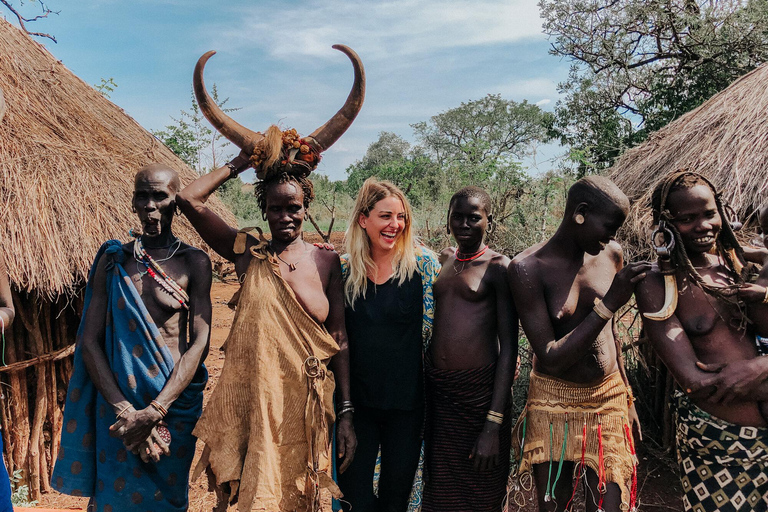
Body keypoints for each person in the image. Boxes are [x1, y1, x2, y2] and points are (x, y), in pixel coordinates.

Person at [178, 44, 364, 512]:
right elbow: (190, 199)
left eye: (294, 207)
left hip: (306, 404)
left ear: (307, 206)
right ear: (264, 208)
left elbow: (338, 335)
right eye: (276, 208)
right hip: (253, 404)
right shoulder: (246, 252)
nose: (286, 217)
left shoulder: (326, 264)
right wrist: (244, 161)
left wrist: (345, 412)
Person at [52, 164, 211, 511]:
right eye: (143, 196)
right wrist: (125, 411)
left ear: (175, 203)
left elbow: (200, 341)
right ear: (133, 203)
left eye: (160, 197)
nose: (151, 206)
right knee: (115, 501)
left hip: (173, 407)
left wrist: (157, 409)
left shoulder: (194, 262)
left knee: (167, 500)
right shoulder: (115, 262)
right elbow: (89, 341)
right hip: (119, 407)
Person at [507, 176, 648, 512]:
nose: (613, 237)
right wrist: (609, 302)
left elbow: (610, 332)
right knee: (552, 505)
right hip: (553, 400)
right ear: (580, 212)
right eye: (609, 226)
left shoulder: (611, 254)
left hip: (608, 396)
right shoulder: (527, 269)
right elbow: (551, 357)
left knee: (607, 505)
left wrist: (627, 396)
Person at [635, 170, 768, 512]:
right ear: (665, 223)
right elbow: (693, 381)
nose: (703, 226)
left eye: (709, 214)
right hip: (718, 447)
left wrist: (759, 368)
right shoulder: (657, 283)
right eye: (687, 218)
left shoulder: (739, 264)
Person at [337, 177, 440, 512]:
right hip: (357, 409)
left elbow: (438, 334)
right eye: (385, 216)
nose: (395, 225)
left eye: (401, 217)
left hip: (407, 409)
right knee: (356, 498)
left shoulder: (423, 266)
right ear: (363, 220)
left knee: (397, 499)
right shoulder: (343, 271)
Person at [421, 187, 517, 511]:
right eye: (457, 216)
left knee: (481, 492)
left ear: (488, 220)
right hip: (442, 399)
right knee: (440, 493)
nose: (464, 223)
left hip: (479, 401)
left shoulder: (498, 267)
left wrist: (493, 424)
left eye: (473, 217)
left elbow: (509, 349)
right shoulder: (444, 259)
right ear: (447, 221)